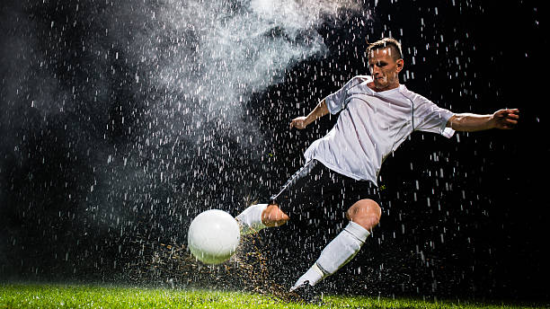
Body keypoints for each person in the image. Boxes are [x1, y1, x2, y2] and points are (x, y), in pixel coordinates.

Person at [235, 37, 519, 300]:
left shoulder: (412, 105)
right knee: (275, 216)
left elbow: (454, 119)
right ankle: (230, 230)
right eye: (372, 64)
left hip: (362, 177)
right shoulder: (358, 84)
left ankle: (303, 285)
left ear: (399, 65)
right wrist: (307, 120)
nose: (375, 70)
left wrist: (490, 121)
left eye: (381, 65)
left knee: (369, 215)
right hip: (327, 162)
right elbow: (329, 103)